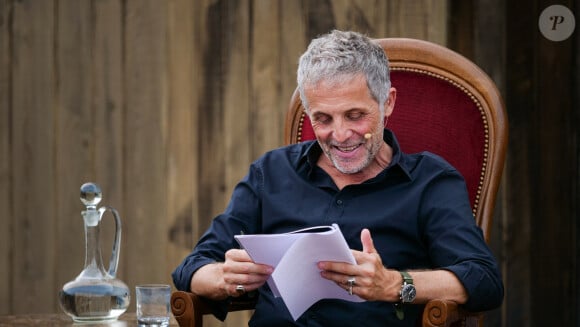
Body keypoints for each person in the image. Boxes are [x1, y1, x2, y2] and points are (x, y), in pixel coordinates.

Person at [172, 30, 503, 326]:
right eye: (323, 119)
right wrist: (225, 276)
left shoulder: (430, 181)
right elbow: (191, 269)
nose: (341, 135)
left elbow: (484, 281)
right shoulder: (271, 173)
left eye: (355, 115)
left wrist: (392, 284)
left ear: (387, 103)